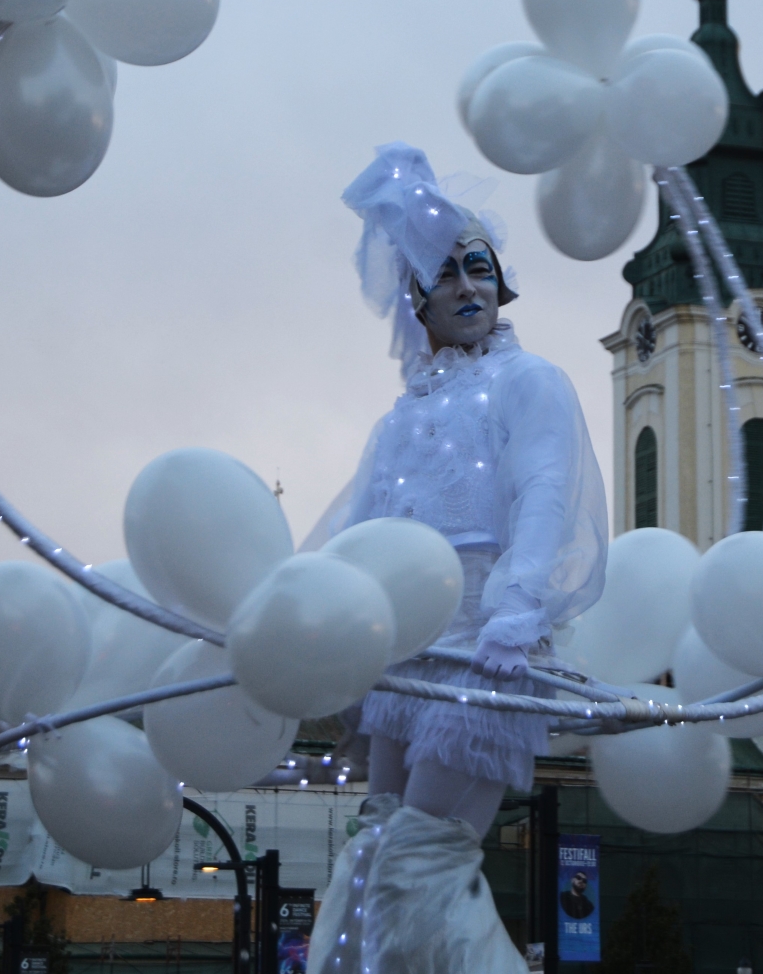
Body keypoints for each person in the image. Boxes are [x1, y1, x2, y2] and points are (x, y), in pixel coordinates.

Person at [305, 143, 607, 973]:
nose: (470, 287)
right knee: (376, 851)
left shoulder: (528, 381)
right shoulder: (401, 417)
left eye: (480, 268)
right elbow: (354, 527)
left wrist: (519, 607)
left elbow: (547, 490)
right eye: (447, 275)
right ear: (417, 301)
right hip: (406, 651)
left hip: (485, 641)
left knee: (420, 858)